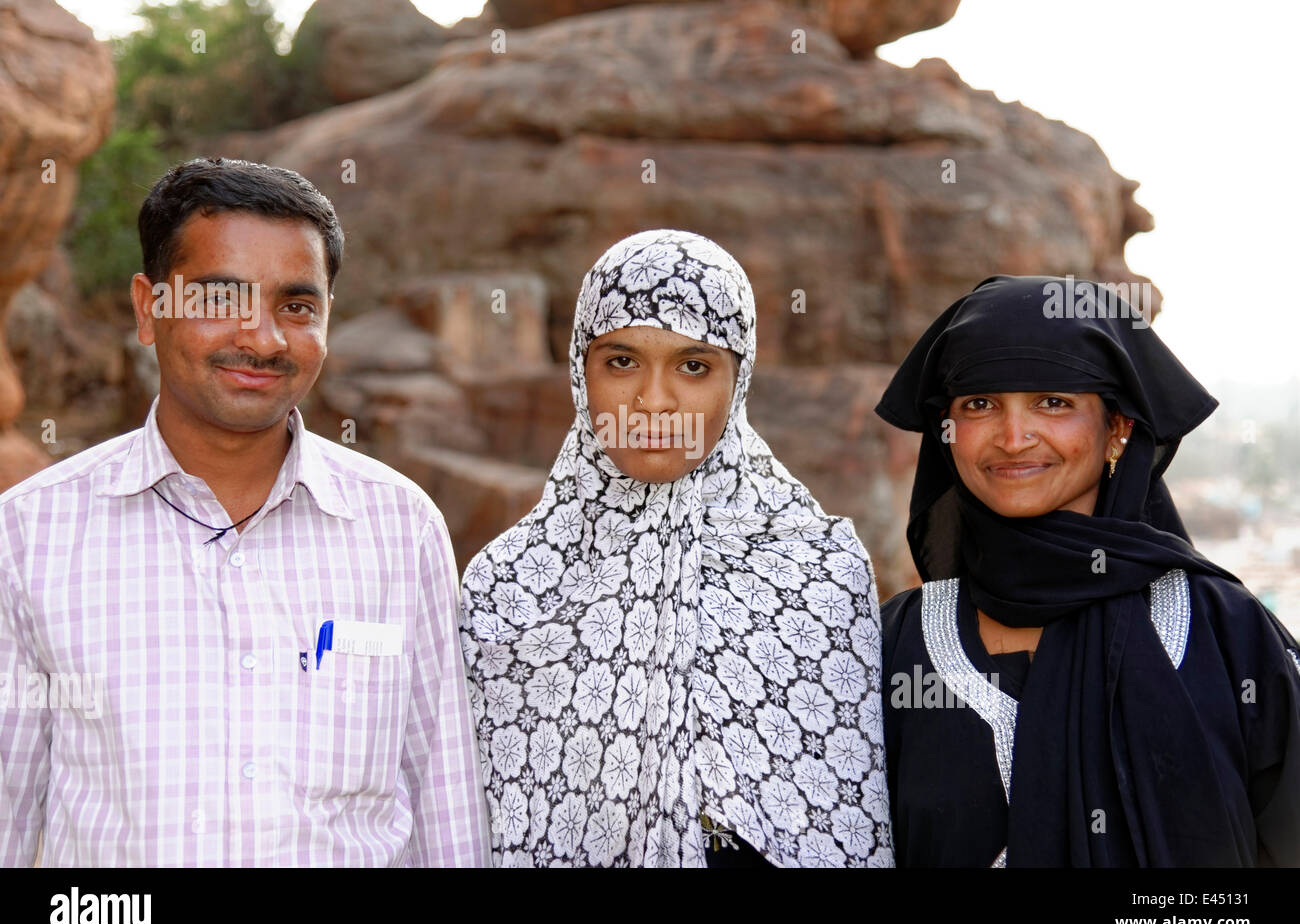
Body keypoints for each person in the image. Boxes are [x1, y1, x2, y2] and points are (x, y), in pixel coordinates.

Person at [0, 157, 489, 866]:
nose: (262, 338)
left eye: (297, 306)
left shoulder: (399, 529)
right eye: (219, 299)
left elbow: (446, 816)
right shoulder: (28, 535)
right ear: (149, 308)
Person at [458, 229, 893, 867]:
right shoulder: (508, 584)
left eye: (694, 366)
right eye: (621, 361)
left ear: (739, 379)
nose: (654, 402)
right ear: (581, 373)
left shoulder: (819, 569)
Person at [874, 274, 1300, 866]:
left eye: (1053, 402)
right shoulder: (891, 646)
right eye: (980, 404)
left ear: (1118, 431)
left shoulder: (1226, 634)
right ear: (947, 433)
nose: (1014, 437)